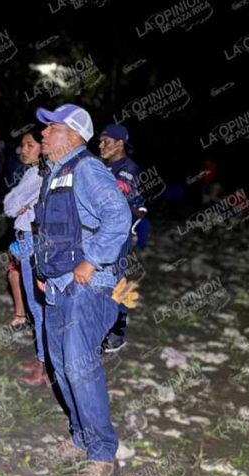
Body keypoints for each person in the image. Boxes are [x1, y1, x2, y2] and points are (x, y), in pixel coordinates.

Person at [33, 103, 131, 476]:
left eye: (50, 128)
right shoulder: (55, 173)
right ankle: (80, 437)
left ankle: (102, 453)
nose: (42, 134)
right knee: (60, 363)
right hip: (59, 286)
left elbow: (119, 219)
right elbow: (56, 230)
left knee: (79, 364)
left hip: (90, 287)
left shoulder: (87, 169)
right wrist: (43, 272)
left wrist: (90, 263)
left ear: (74, 136)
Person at [2, 127, 49, 386]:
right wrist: (18, 204)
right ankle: (43, 359)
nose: (24, 150)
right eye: (23, 145)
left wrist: (20, 205)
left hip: (32, 239)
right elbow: (11, 204)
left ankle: (45, 366)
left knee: (37, 305)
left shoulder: (39, 175)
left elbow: (10, 206)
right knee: (36, 303)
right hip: (25, 238)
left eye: (30, 145)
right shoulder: (34, 172)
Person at [98, 124, 149, 352]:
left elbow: (122, 197)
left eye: (106, 141)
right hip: (101, 234)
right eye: (100, 141)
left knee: (118, 280)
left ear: (119, 143)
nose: (101, 146)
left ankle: (118, 330)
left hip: (119, 235)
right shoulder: (102, 166)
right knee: (103, 281)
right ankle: (103, 324)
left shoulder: (129, 168)